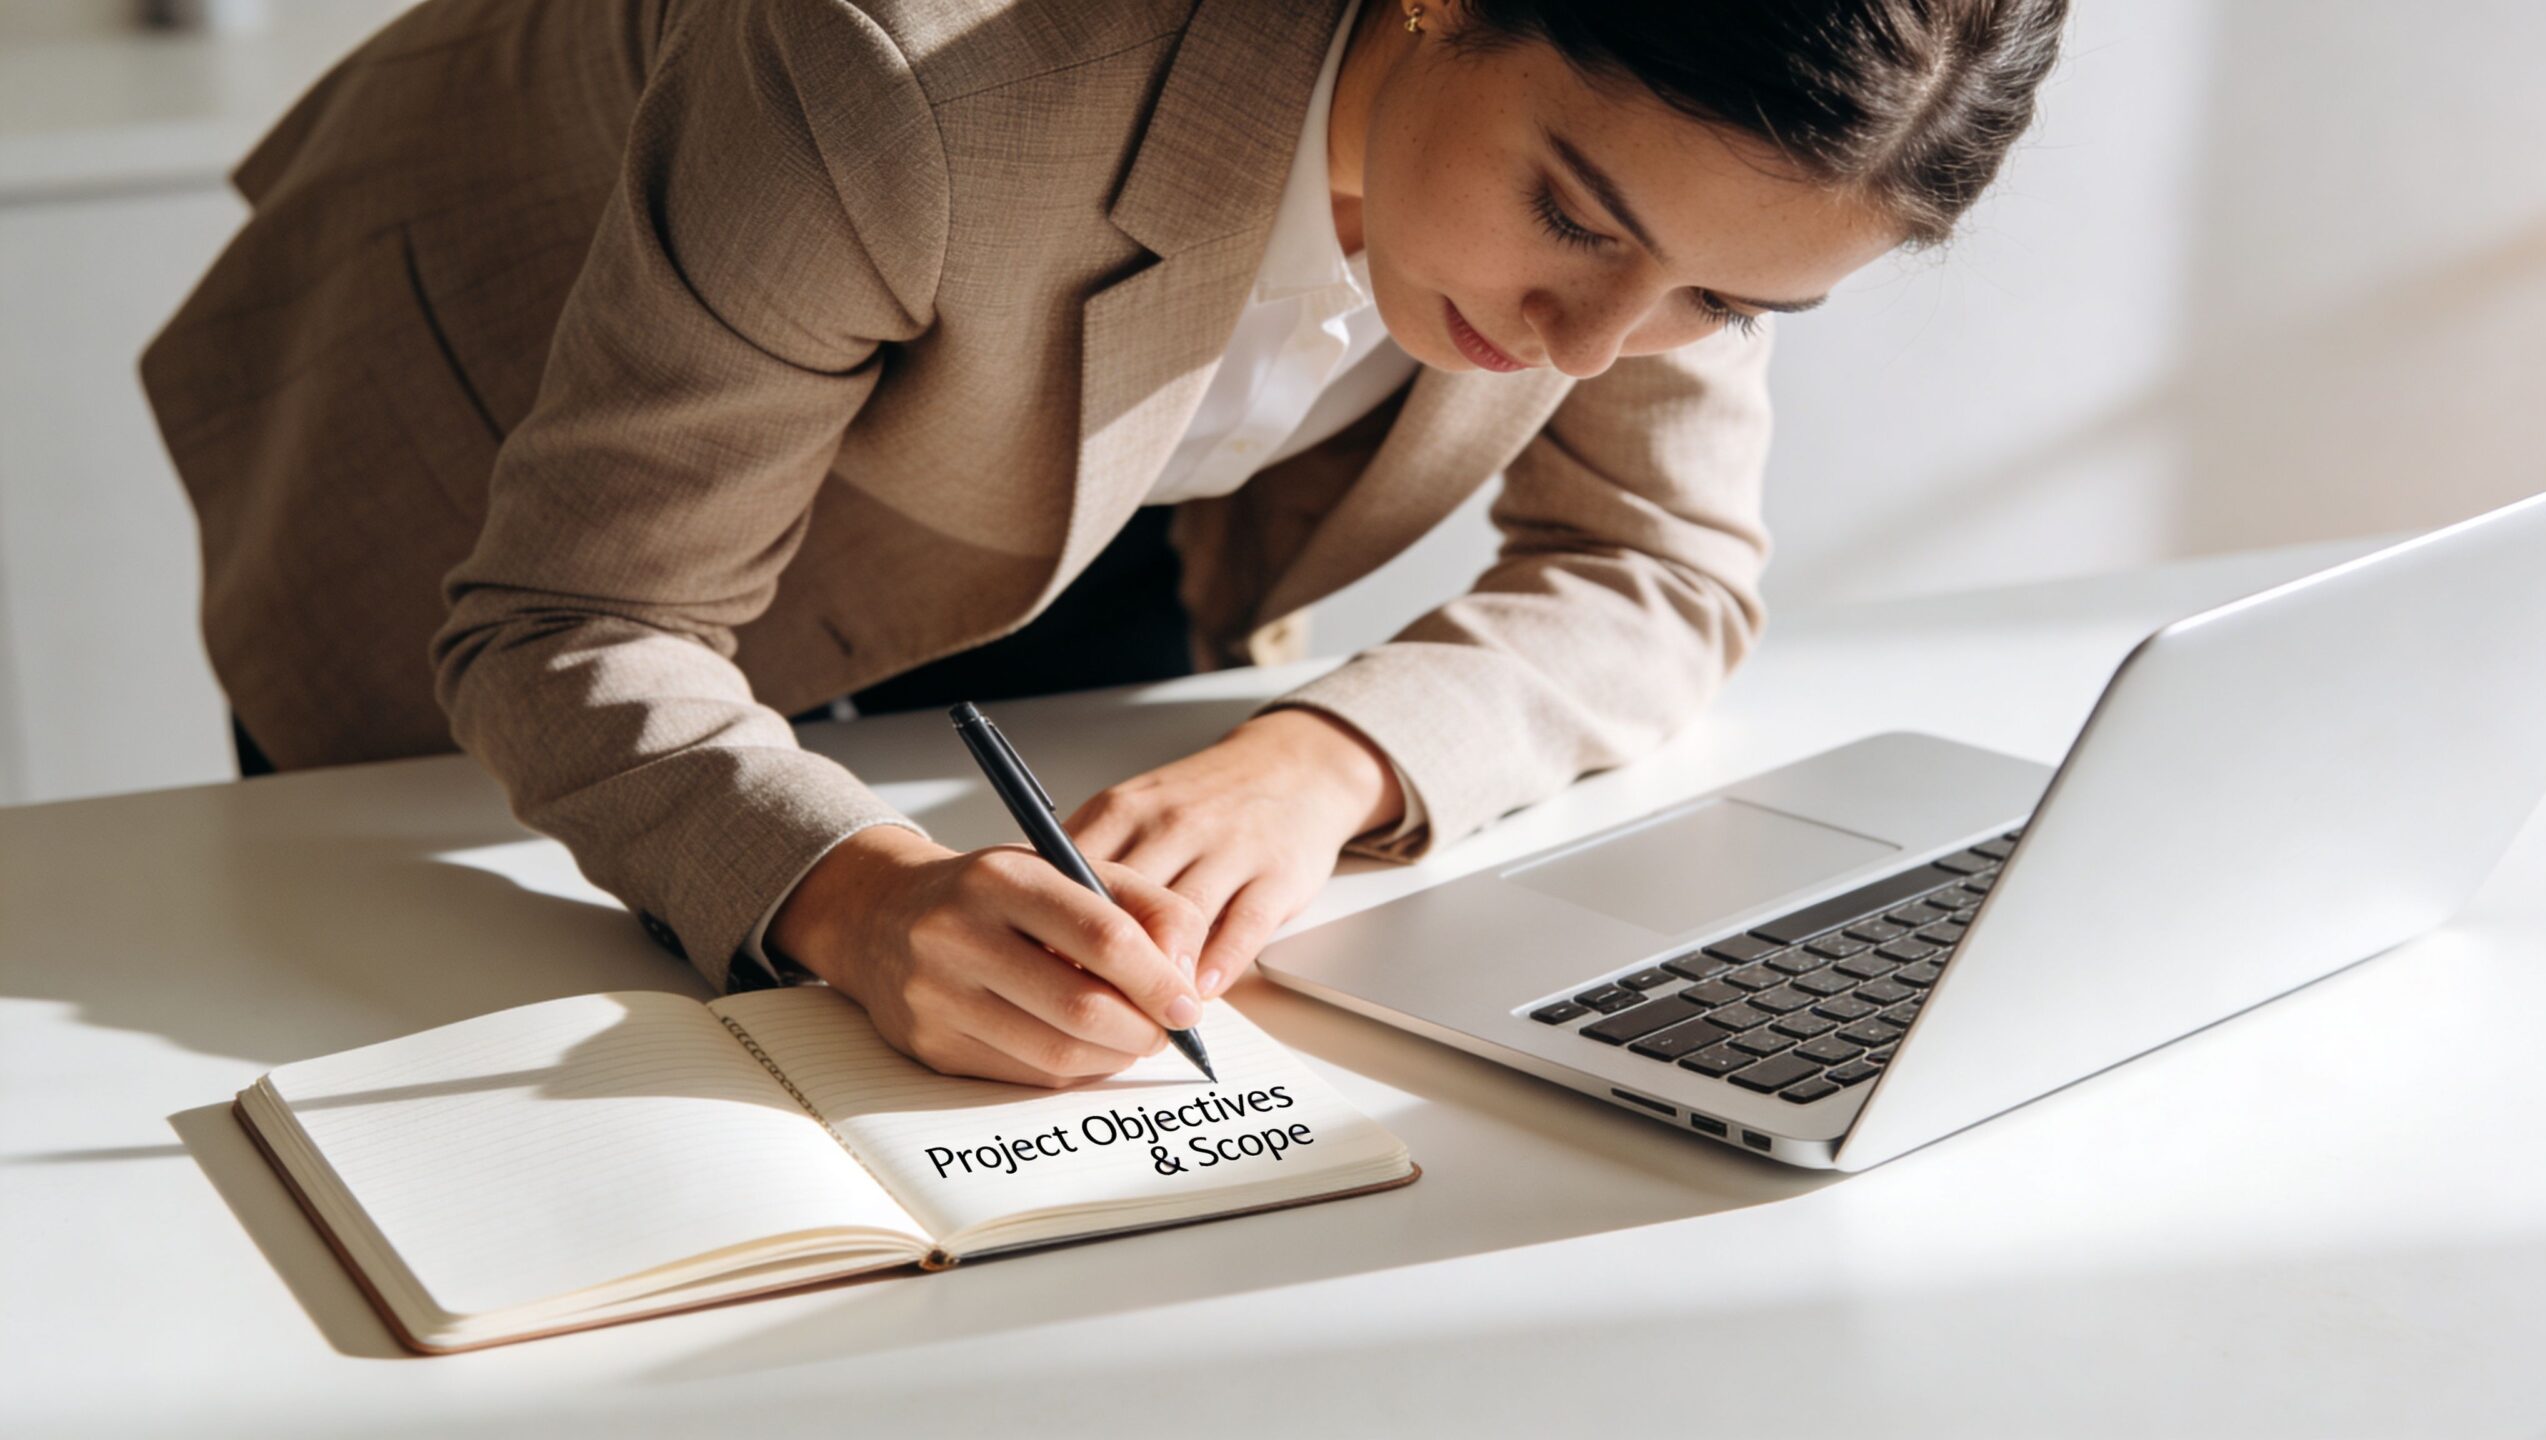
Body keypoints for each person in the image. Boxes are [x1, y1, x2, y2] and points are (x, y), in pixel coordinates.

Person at [141, 0, 2066, 1088]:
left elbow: (1661, 564)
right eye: (1573, 219)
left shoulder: (1674, 208)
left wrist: (1326, 757)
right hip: (483, 406)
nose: (1593, 347)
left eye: (1724, 306)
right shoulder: (903, 70)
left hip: (1031, 486)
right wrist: (854, 896)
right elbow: (573, 608)